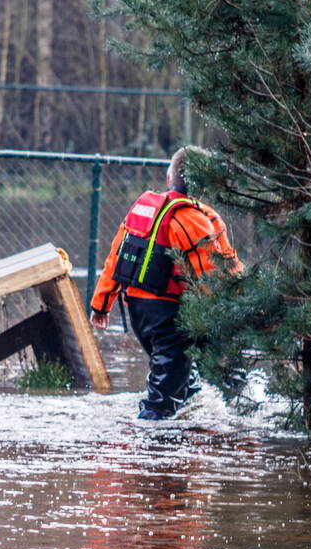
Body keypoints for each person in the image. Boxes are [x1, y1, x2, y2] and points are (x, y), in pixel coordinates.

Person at [89, 146, 243, 420]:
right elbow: (215, 273)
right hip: (169, 318)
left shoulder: (143, 211)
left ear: (169, 176)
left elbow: (115, 259)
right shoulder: (194, 220)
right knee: (162, 401)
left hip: (139, 314)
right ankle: (149, 444)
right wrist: (236, 308)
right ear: (203, 184)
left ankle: (187, 422)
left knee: (183, 383)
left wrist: (101, 305)